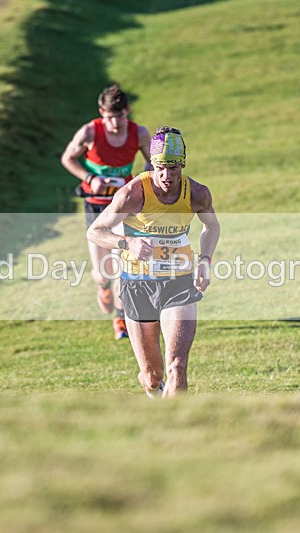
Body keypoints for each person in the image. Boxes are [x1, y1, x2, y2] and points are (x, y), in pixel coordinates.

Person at [87, 126, 220, 397]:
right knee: (152, 376)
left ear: (182, 164)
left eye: (173, 168)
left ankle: (177, 422)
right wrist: (128, 243)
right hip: (138, 284)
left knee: (177, 368)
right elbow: (96, 231)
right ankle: (153, 391)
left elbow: (212, 227)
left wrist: (205, 260)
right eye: (160, 168)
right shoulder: (133, 193)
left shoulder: (197, 193)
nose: (166, 176)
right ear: (152, 164)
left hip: (178, 282)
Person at [61, 84, 153, 339]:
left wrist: (140, 182)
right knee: (103, 271)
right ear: (102, 112)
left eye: (119, 117)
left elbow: (152, 161)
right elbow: (67, 158)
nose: (114, 123)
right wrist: (90, 178)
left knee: (123, 264)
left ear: (127, 111)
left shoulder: (139, 133)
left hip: (123, 206)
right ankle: (103, 287)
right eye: (109, 117)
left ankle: (120, 318)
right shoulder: (90, 131)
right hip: (95, 205)